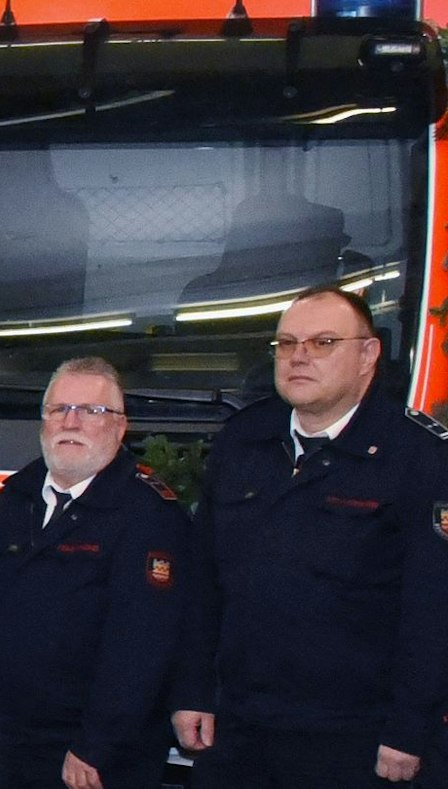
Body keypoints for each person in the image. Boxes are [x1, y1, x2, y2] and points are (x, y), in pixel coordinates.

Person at [173, 285, 448, 788]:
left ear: (368, 355)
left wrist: (409, 728)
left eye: (323, 343)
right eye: (286, 343)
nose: (298, 357)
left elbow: (433, 609)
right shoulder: (244, 440)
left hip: (353, 736)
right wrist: (193, 690)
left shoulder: (419, 458)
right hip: (240, 725)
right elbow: (203, 584)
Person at [0, 357, 189, 789]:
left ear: (120, 426)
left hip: (95, 757)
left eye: (91, 411)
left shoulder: (148, 514)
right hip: (14, 742)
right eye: (59, 409)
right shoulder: (17, 498)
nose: (70, 422)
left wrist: (96, 743)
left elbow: (142, 647)